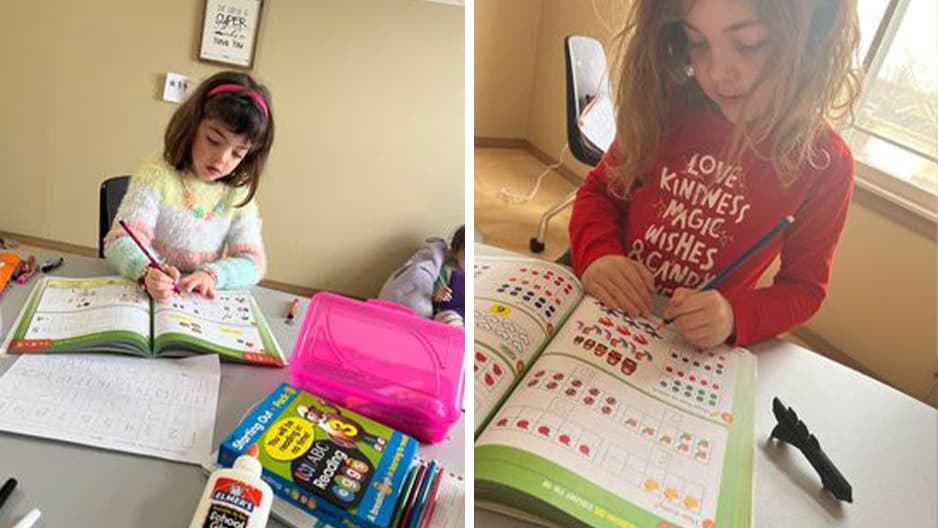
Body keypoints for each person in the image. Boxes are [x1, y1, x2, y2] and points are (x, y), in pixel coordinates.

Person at [569, 0, 860, 348]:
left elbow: (805, 289)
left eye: (749, 43)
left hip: (689, 349)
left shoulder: (826, 163)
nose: (717, 72)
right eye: (697, 42)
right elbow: (600, 193)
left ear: (812, 41)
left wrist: (733, 314)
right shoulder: (666, 106)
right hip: (607, 312)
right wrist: (600, 255)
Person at [104, 71, 274, 301]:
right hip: (146, 296)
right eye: (213, 140)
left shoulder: (237, 193)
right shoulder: (156, 174)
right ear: (192, 126)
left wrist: (213, 275)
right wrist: (146, 271)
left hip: (197, 303)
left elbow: (253, 263)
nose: (222, 159)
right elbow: (118, 242)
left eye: (238, 153)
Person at [433, 225, 466, 326]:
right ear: (455, 253)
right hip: (451, 311)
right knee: (450, 320)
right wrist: (439, 295)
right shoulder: (447, 270)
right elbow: (435, 294)